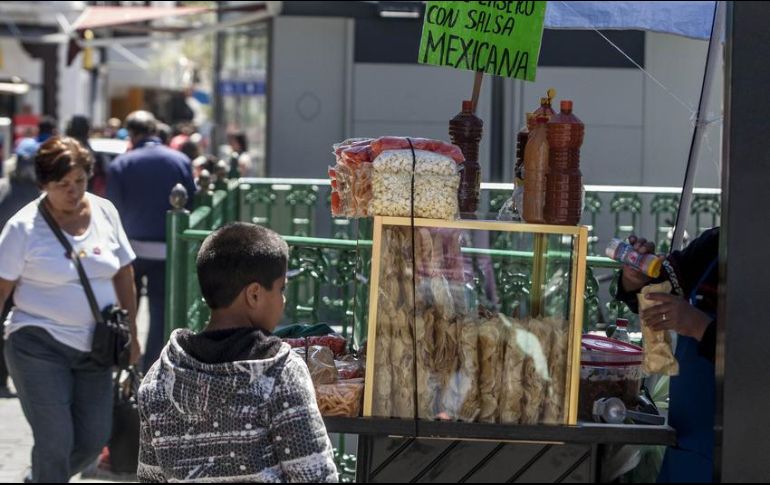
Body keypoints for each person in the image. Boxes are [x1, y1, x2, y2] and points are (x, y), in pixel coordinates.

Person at [137, 222, 338, 483]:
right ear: (254, 295)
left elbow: (150, 478)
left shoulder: (157, 379)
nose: (283, 301)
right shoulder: (281, 373)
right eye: (281, 289)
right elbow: (316, 477)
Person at [0, 136, 140, 482]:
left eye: (80, 180)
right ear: (43, 184)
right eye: (62, 184)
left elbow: (124, 275)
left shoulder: (105, 212)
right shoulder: (22, 228)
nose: (73, 190)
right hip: (37, 343)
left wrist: (134, 335)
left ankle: (40, 478)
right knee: (55, 441)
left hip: (96, 347)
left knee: (93, 439)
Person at [616, 229, 719, 483]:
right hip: (687, 442)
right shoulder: (716, 243)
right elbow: (659, 288)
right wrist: (637, 278)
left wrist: (700, 326)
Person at [106, 110, 196, 372]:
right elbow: (192, 199)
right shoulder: (179, 160)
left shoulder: (121, 163)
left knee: (125, 308)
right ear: (155, 131)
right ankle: (151, 368)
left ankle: (124, 361)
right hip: (169, 247)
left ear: (131, 134)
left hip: (129, 250)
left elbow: (112, 207)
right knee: (160, 312)